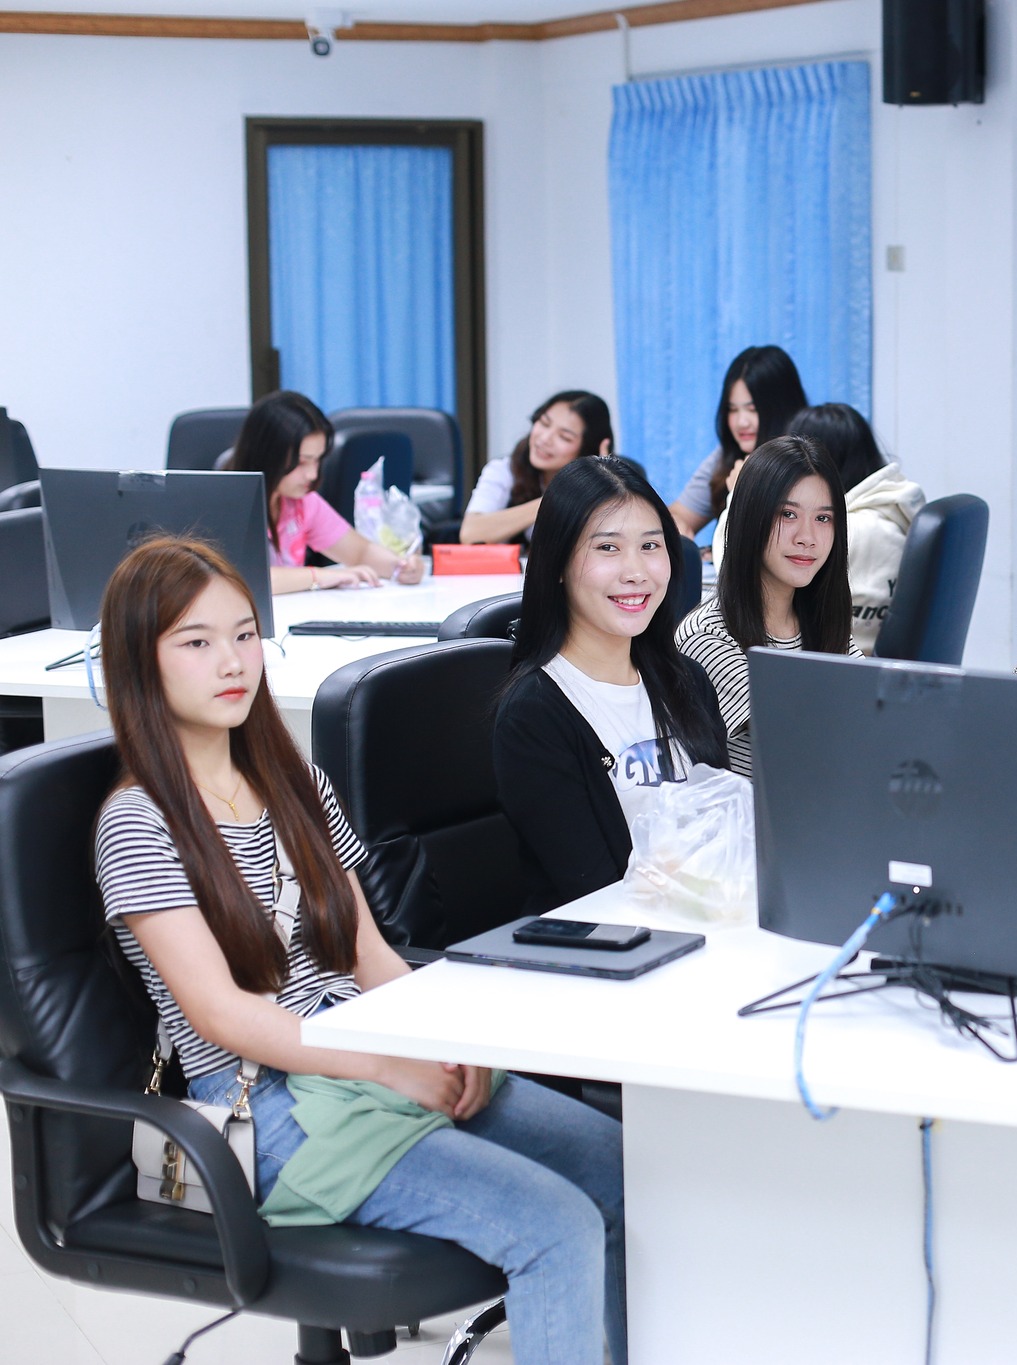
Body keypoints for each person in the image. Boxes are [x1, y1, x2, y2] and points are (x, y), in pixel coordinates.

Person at [91, 537, 626, 1365]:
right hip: (265, 1103)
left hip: (364, 1053)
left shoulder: (294, 781)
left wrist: (440, 1043)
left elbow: (368, 952)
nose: (232, 661)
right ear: (139, 661)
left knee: (626, 1171)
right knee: (554, 1226)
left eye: (244, 634)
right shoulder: (137, 822)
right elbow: (223, 1014)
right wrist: (388, 1065)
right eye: (196, 641)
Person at [494, 457, 729, 914]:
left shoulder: (687, 681)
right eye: (607, 548)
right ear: (557, 562)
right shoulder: (534, 713)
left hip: (710, 921)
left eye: (650, 545)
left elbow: (724, 832)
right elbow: (595, 892)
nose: (636, 571)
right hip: (608, 942)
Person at [677, 435, 859, 777]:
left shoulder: (817, 620)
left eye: (823, 518)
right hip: (757, 810)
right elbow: (812, 742)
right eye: (788, 514)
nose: (807, 537)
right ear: (751, 519)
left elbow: (871, 719)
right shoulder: (707, 637)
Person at [226, 391, 423, 595]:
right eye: (301, 462)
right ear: (267, 453)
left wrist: (400, 566)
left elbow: (359, 552)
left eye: (317, 460)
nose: (312, 474)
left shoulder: (302, 502)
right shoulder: (227, 503)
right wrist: (318, 576)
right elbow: (241, 579)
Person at [786, 403, 925, 655]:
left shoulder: (853, 529)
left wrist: (741, 494)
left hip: (840, 663)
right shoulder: (893, 507)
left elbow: (740, 569)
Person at [669, 345, 809, 539]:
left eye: (753, 409)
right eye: (733, 410)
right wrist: (676, 527)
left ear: (783, 408)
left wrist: (744, 492)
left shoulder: (808, 461)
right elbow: (677, 515)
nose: (742, 422)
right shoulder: (727, 456)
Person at [460, 390, 614, 544]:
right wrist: (554, 500)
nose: (545, 439)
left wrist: (598, 485)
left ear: (588, 449)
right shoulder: (504, 470)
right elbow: (470, 534)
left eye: (564, 437)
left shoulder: (606, 485)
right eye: (544, 423)